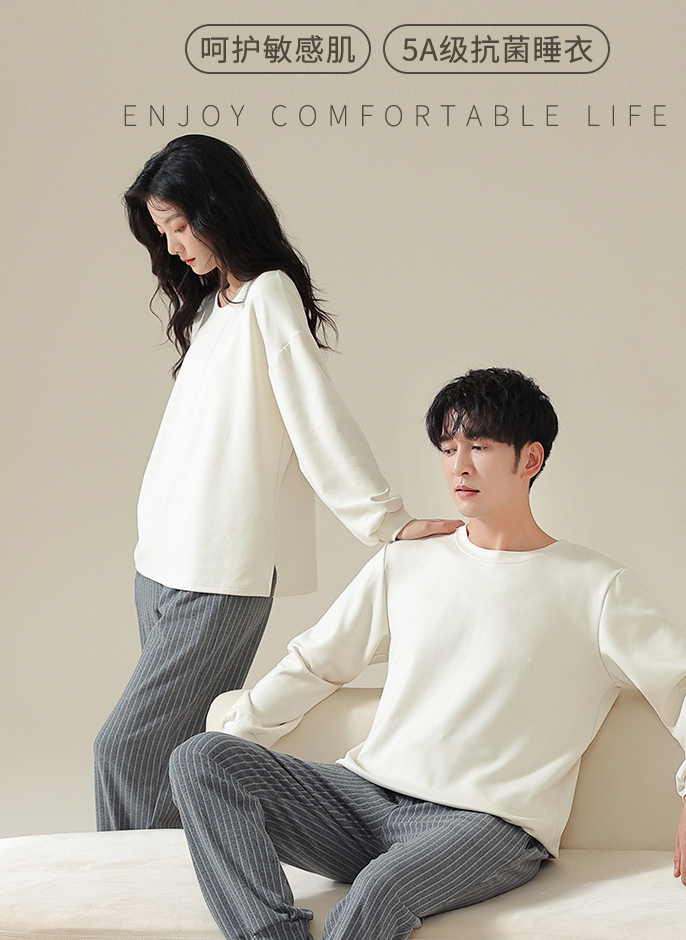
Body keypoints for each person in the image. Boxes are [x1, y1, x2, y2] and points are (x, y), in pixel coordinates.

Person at [146, 366, 686, 940]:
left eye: (480, 445)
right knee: (198, 755)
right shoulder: (408, 565)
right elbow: (316, 663)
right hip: (367, 797)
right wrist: (237, 740)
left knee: (380, 891)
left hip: (487, 826)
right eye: (448, 446)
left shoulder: (593, 586)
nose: (458, 464)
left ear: (531, 458)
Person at [94, 134, 459, 833]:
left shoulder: (268, 295)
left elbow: (313, 412)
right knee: (167, 758)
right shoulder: (211, 308)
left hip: (218, 572)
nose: (171, 246)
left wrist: (386, 519)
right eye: (162, 230)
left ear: (216, 209)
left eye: (178, 225)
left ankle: (135, 890)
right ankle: (183, 884)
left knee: (124, 751)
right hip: (159, 565)